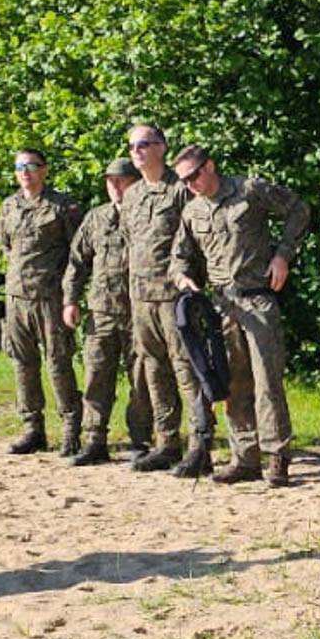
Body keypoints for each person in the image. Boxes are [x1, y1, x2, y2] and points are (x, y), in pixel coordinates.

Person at [168, 143, 309, 486]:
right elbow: (179, 258)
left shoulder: (249, 190)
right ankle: (245, 458)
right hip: (222, 305)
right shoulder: (192, 211)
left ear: (209, 166)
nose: (190, 184)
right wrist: (184, 279)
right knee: (232, 383)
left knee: (267, 381)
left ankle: (277, 455)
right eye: (183, 180)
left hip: (258, 299)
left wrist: (283, 255)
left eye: (193, 176)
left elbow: (298, 210)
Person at [0, 148, 82, 456]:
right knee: (23, 363)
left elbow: (78, 253)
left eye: (31, 165)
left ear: (44, 170)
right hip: (17, 298)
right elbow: (7, 246)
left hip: (50, 298)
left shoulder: (63, 206)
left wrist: (71, 295)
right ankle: (33, 428)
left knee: (58, 362)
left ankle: (71, 428)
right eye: (19, 166)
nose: (25, 172)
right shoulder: (9, 206)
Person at [121, 124, 194, 472]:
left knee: (186, 368)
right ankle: (167, 442)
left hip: (173, 295)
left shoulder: (180, 189)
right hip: (141, 298)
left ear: (162, 148)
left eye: (143, 144)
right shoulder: (132, 195)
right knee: (153, 368)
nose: (136, 151)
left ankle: (200, 443)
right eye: (132, 146)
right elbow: (130, 244)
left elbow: (195, 239)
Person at [61, 157, 140, 466]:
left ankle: (141, 439)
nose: (115, 186)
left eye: (122, 180)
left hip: (138, 311)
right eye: (110, 181)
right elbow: (77, 261)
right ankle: (95, 439)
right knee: (97, 376)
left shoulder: (146, 214)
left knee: (142, 378)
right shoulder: (96, 218)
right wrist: (70, 300)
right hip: (102, 311)